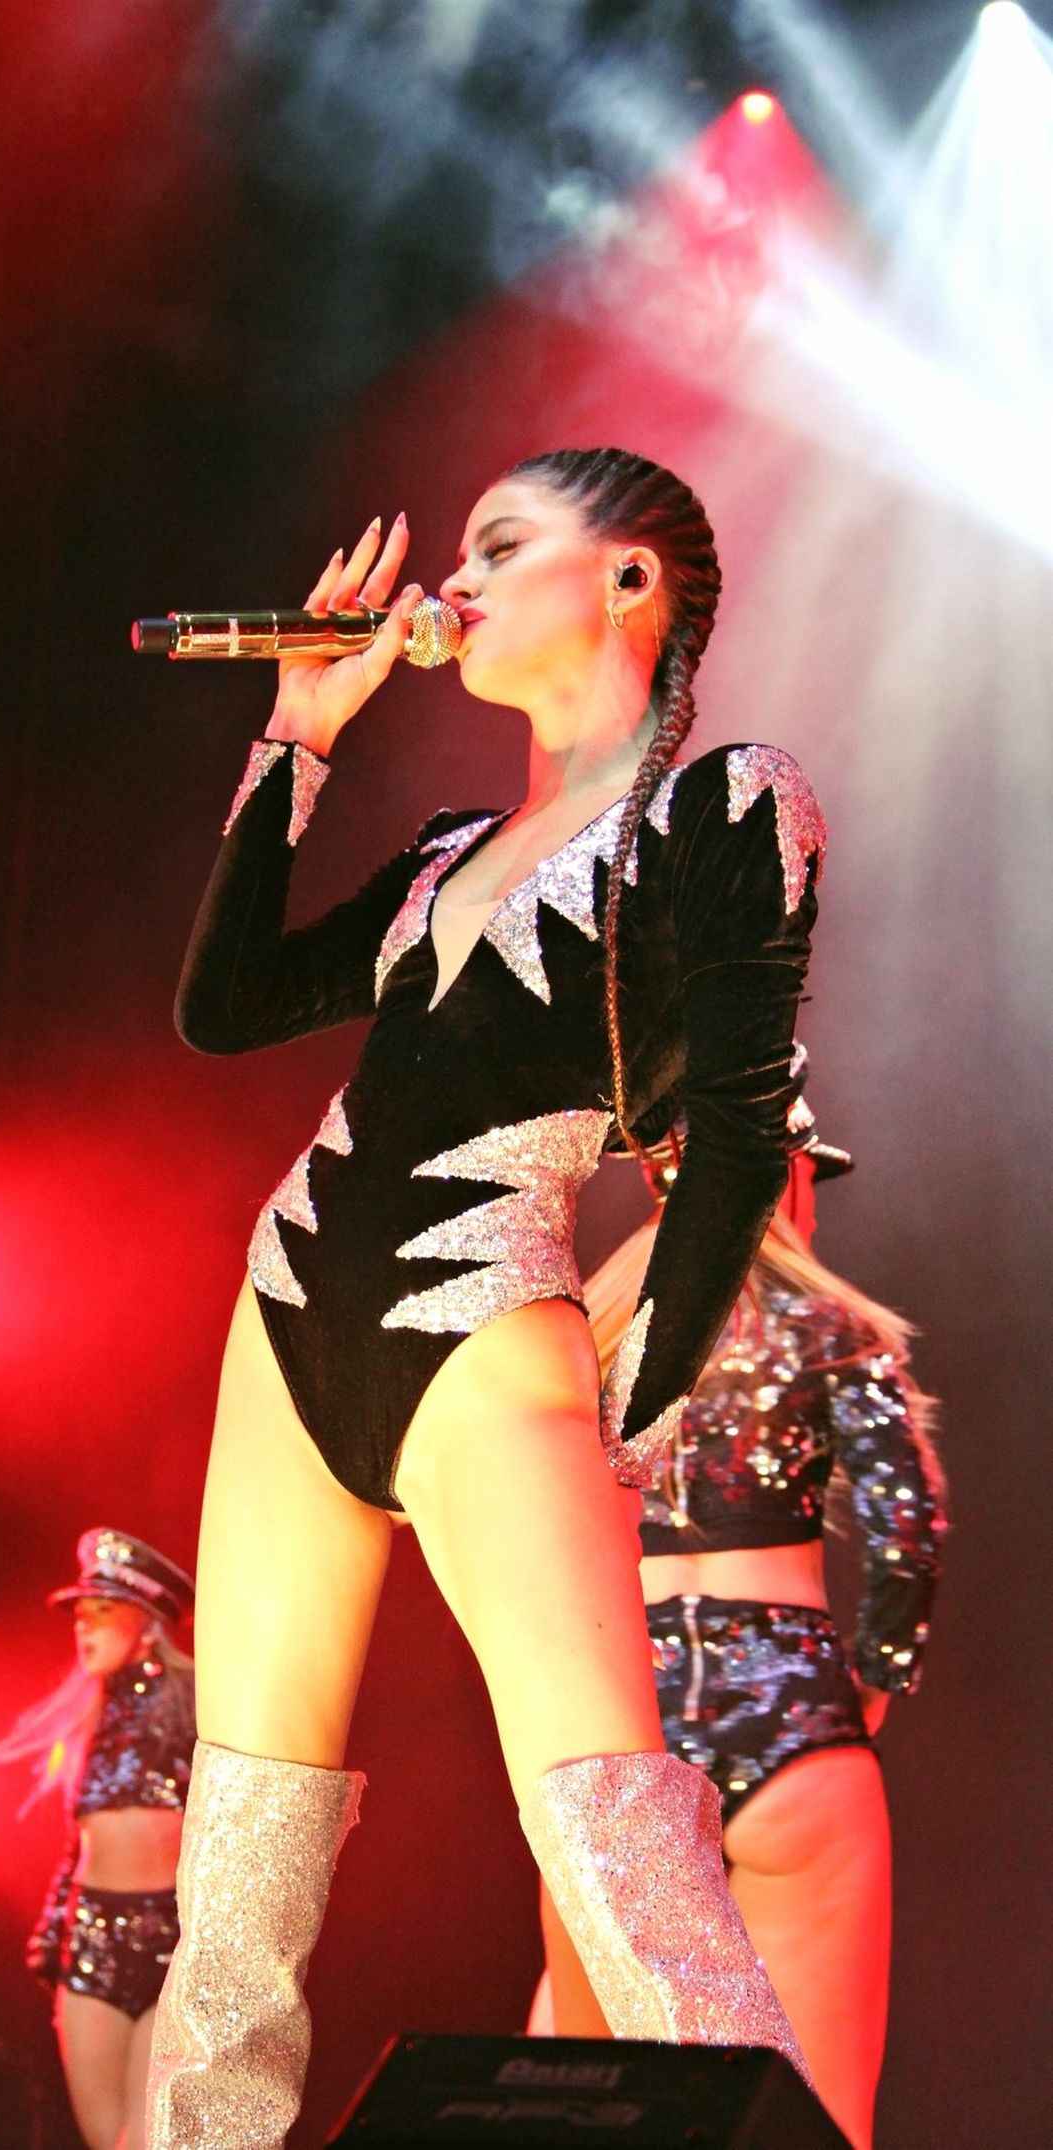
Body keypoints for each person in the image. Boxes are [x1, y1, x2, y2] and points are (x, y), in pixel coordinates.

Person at [150, 448, 831, 2146]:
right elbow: (223, 1010)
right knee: (236, 1862)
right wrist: (299, 731)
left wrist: (635, 1406)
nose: (451, 580)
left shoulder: (720, 807)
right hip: (286, 1304)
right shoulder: (447, 847)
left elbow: (738, 1130)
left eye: (499, 546)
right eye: (457, 549)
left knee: (612, 1838)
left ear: (628, 583)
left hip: (482, 1323)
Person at [529, 1064, 946, 2149]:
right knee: (818, 2116)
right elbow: (906, 1530)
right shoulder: (833, 1326)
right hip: (792, 1716)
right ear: (788, 1174)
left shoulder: (587, 1330)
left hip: (622, 1718)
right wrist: (868, 1689)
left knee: (576, 2102)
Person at [0, 1529, 195, 2150]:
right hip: (92, 1941)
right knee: (105, 2141)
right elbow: (79, 1845)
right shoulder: (85, 1717)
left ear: (147, 1620)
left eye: (102, 1610)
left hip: (171, 1941)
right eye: (79, 1614)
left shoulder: (196, 1700)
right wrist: (53, 1930)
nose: (83, 1626)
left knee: (147, 2141)